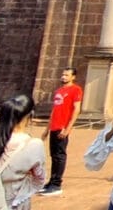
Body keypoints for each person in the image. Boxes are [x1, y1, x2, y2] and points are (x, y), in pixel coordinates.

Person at [39, 66, 82, 196]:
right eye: (63, 74)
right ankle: (51, 181)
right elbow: (54, 110)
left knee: (59, 155)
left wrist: (68, 128)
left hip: (63, 127)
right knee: (53, 155)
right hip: (54, 126)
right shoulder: (58, 91)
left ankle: (57, 184)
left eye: (67, 75)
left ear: (73, 77)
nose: (63, 77)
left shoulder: (76, 90)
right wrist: (47, 129)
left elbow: (76, 109)